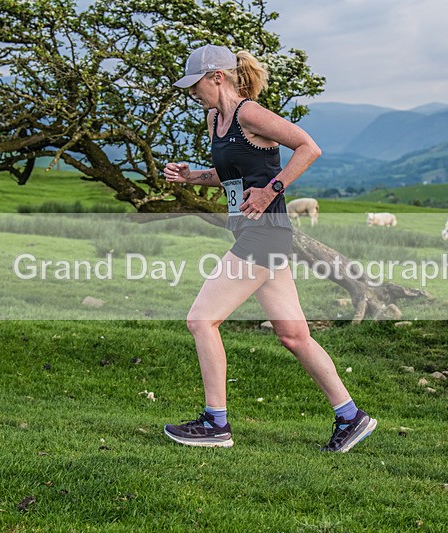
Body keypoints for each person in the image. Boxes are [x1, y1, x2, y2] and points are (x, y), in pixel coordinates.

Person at [162, 44, 376, 453]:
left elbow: (309, 147)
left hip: (266, 233)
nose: (192, 93)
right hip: (253, 233)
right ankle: (351, 417)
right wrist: (192, 177)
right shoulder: (215, 120)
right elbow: (231, 180)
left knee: (201, 320)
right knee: (294, 335)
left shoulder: (249, 114)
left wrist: (272, 190)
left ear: (218, 78)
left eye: (196, 85)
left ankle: (215, 423)